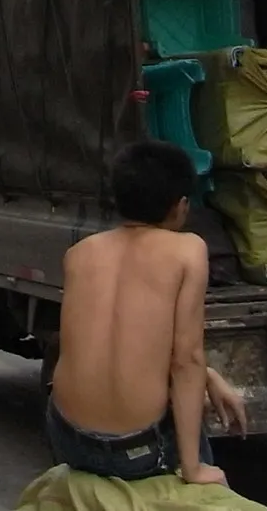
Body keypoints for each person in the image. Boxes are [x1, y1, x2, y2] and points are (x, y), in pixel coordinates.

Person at [43, 139, 248, 486]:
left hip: (68, 438)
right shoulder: (188, 251)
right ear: (181, 207)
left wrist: (209, 376)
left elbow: (117, 342)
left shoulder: (79, 253)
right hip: (137, 451)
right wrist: (193, 468)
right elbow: (186, 361)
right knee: (192, 425)